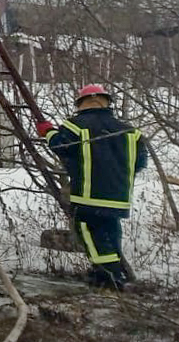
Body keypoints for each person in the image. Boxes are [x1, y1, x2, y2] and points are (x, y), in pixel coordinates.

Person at [36, 84, 148, 290]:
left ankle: (109, 279)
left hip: (89, 198)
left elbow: (60, 147)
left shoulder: (75, 126)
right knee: (110, 236)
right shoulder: (131, 132)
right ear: (107, 102)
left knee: (90, 236)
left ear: (80, 104)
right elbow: (140, 164)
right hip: (119, 197)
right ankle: (108, 272)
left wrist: (48, 132)